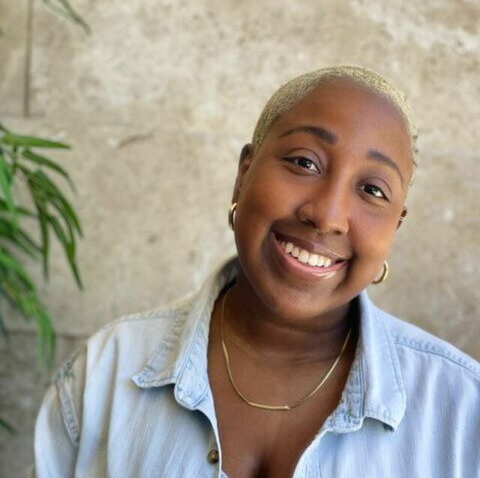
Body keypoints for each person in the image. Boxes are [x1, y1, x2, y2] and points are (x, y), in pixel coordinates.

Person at [32, 66, 480, 478]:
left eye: (372, 189)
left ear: (395, 225)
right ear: (243, 174)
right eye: (304, 162)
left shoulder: (463, 411)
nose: (327, 216)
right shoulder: (106, 373)